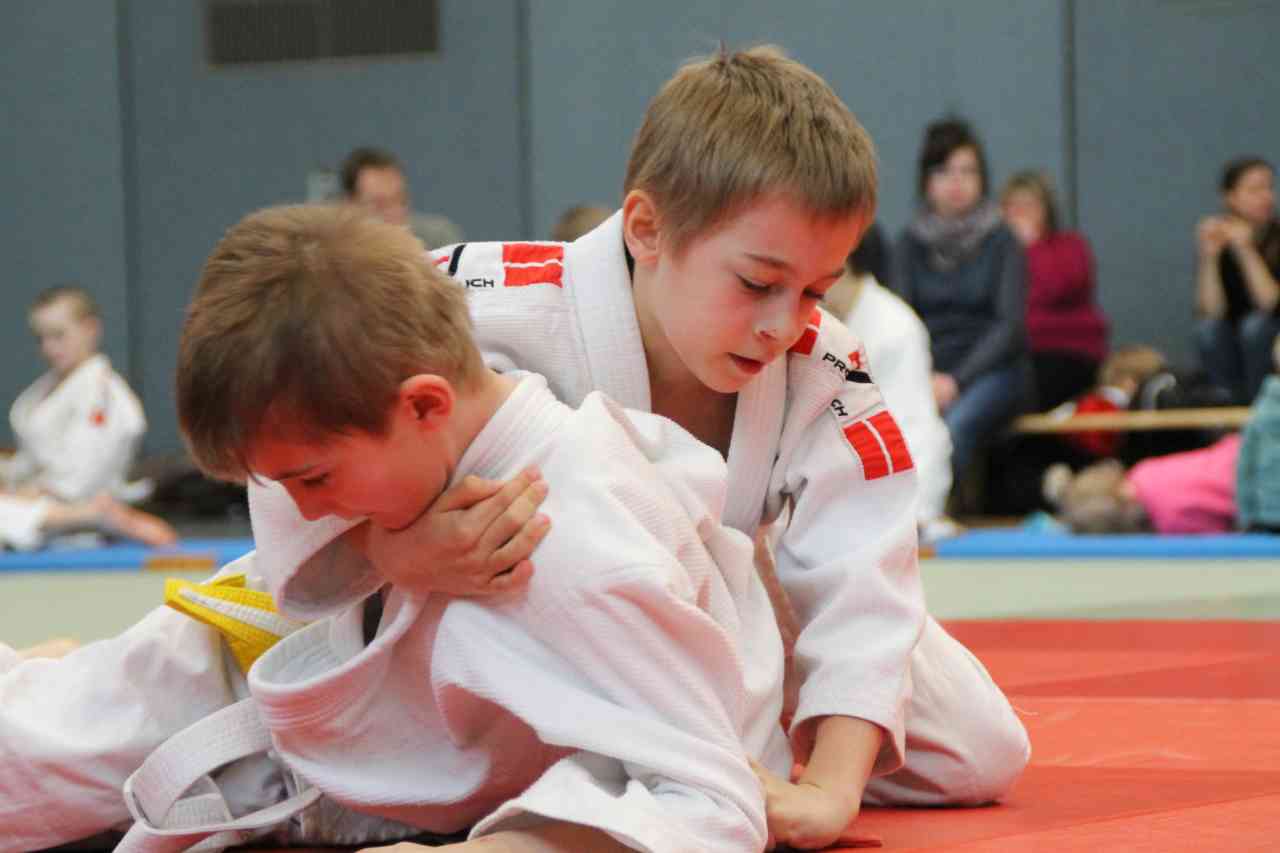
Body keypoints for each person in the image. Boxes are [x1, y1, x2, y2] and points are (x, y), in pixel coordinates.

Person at [254, 47, 1029, 850]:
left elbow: (865, 565)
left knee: (979, 744)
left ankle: (677, 743)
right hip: (493, 599)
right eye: (758, 283)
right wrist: (388, 550)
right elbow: (289, 433)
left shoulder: (821, 362)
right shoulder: (478, 298)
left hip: (711, 612)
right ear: (648, 229)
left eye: (815, 289)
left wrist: (830, 789)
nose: (784, 323)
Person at [0, 205, 791, 853]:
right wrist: (379, 549)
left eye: (313, 479)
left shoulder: (568, 536)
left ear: (423, 404)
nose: (309, 509)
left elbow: (714, 800)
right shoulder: (425, 411)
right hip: (240, 672)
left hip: (280, 727)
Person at [891, 118, 1031, 483]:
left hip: (991, 371)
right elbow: (901, 319)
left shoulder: (1002, 240)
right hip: (924, 370)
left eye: (968, 171)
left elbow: (1009, 326)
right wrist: (925, 377)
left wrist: (956, 380)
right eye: (945, 171)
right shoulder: (908, 244)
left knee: (953, 430)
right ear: (926, 180)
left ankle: (937, 511)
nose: (957, 182)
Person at [0, 286, 175, 549]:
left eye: (58, 335)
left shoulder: (103, 394)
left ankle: (91, 516)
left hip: (74, 517)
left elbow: (79, 481)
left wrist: (26, 494)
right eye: (41, 338)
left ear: (91, 329)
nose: (49, 347)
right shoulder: (43, 391)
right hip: (32, 506)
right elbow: (29, 463)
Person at [822, 223, 958, 544]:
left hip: (883, 496)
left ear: (844, 260)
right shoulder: (805, 319)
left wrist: (913, 513)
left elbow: (916, 429)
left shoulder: (896, 326)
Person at [1002, 170, 1109, 410]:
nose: (1020, 213)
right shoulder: (997, 256)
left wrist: (1031, 247)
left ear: (1046, 209)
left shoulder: (1071, 246)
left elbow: (1055, 288)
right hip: (1017, 358)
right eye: (1013, 206)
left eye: (1029, 205)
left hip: (1067, 353)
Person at [1195, 156, 1280, 404]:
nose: (1266, 197)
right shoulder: (1220, 238)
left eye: (1269, 187)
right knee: (1208, 331)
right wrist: (1209, 258)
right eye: (1255, 190)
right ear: (1230, 197)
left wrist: (1246, 251)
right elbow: (1211, 310)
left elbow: (1271, 304)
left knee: (1255, 327)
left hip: (1270, 331)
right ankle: (1225, 408)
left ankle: (1259, 405)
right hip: (1233, 336)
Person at [341, 145, 464, 250]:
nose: (394, 213)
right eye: (380, 205)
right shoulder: (338, 253)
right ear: (350, 205)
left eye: (401, 201)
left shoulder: (438, 239)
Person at [1236, 336, 1280, 532]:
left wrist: (1245, 516)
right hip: (1267, 516)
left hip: (1265, 516)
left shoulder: (1261, 411)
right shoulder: (1261, 414)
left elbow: (1244, 468)